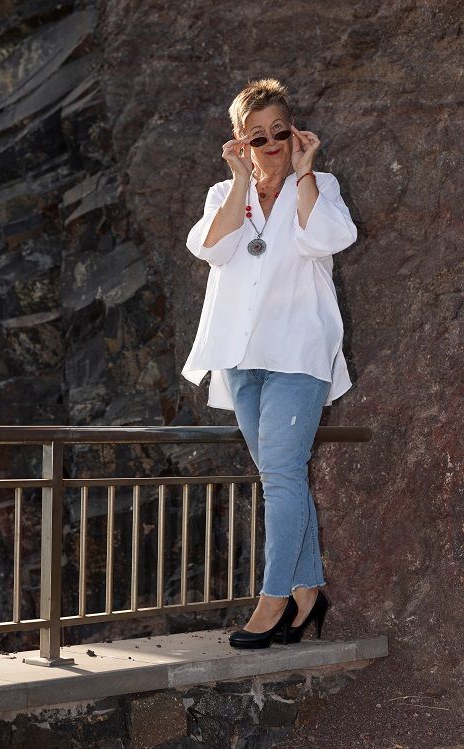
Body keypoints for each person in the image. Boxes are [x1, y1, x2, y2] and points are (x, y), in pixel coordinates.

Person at [181, 78, 358, 648]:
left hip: (298, 354)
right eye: (257, 136)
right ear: (240, 141)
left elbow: (329, 238)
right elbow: (211, 248)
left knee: (280, 477)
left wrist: (304, 173)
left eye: (280, 131)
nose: (272, 142)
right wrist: (241, 181)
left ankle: (273, 599)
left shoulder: (320, 186)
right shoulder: (223, 194)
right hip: (240, 358)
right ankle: (309, 592)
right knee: (282, 478)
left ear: (294, 132)